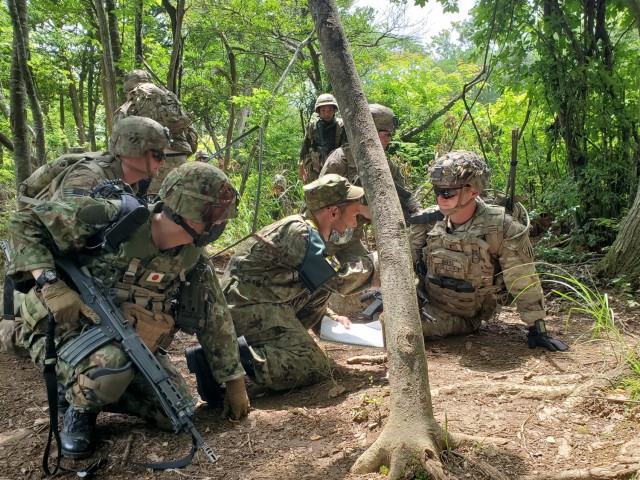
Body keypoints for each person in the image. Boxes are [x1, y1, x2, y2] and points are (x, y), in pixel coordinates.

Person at [5, 162, 250, 459]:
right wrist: (49, 281)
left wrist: (234, 380)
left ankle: (96, 386)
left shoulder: (192, 257)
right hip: (65, 328)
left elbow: (216, 316)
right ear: (187, 209)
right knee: (111, 366)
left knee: (173, 410)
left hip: (130, 339)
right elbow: (24, 222)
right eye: (214, 215)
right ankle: (77, 406)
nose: (219, 224)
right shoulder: (112, 217)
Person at [190, 174, 379, 394]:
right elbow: (339, 282)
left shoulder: (309, 231)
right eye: (354, 214)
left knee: (320, 287)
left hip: (259, 300)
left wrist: (330, 317)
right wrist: (376, 263)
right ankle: (223, 360)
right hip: (244, 307)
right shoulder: (300, 234)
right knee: (314, 365)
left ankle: (265, 348)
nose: (355, 222)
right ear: (334, 212)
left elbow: (317, 282)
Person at [0, 116, 171, 356]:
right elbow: (64, 237)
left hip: (80, 263)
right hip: (48, 260)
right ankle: (18, 315)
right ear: (134, 150)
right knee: (27, 340)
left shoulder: (130, 183)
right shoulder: (86, 177)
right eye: (158, 155)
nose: (162, 163)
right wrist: (52, 286)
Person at [409, 150, 569, 351]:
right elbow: (408, 263)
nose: (441, 198)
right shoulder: (427, 222)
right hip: (427, 301)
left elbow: (522, 278)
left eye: (448, 192)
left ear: (473, 191)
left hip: (462, 314)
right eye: (437, 191)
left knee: (398, 326)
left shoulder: (501, 228)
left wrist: (537, 327)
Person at [319, 103, 422, 262]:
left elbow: (404, 196)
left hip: (349, 240)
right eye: (384, 133)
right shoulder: (339, 160)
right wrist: (359, 209)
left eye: (390, 134)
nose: (388, 139)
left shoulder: (386, 165)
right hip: (322, 237)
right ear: (369, 134)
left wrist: (416, 211)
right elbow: (319, 202)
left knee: (372, 275)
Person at [114, 69, 198, 195]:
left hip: (153, 161)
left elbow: (122, 134)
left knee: (148, 204)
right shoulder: (168, 95)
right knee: (174, 202)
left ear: (128, 86)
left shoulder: (134, 99)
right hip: (180, 156)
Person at [299, 93, 348, 183]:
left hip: (337, 169)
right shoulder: (312, 127)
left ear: (334, 111)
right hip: (316, 171)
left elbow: (347, 149)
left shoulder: (341, 126)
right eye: (323, 110)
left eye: (330, 110)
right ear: (318, 112)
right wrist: (301, 168)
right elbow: (304, 148)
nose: (327, 113)